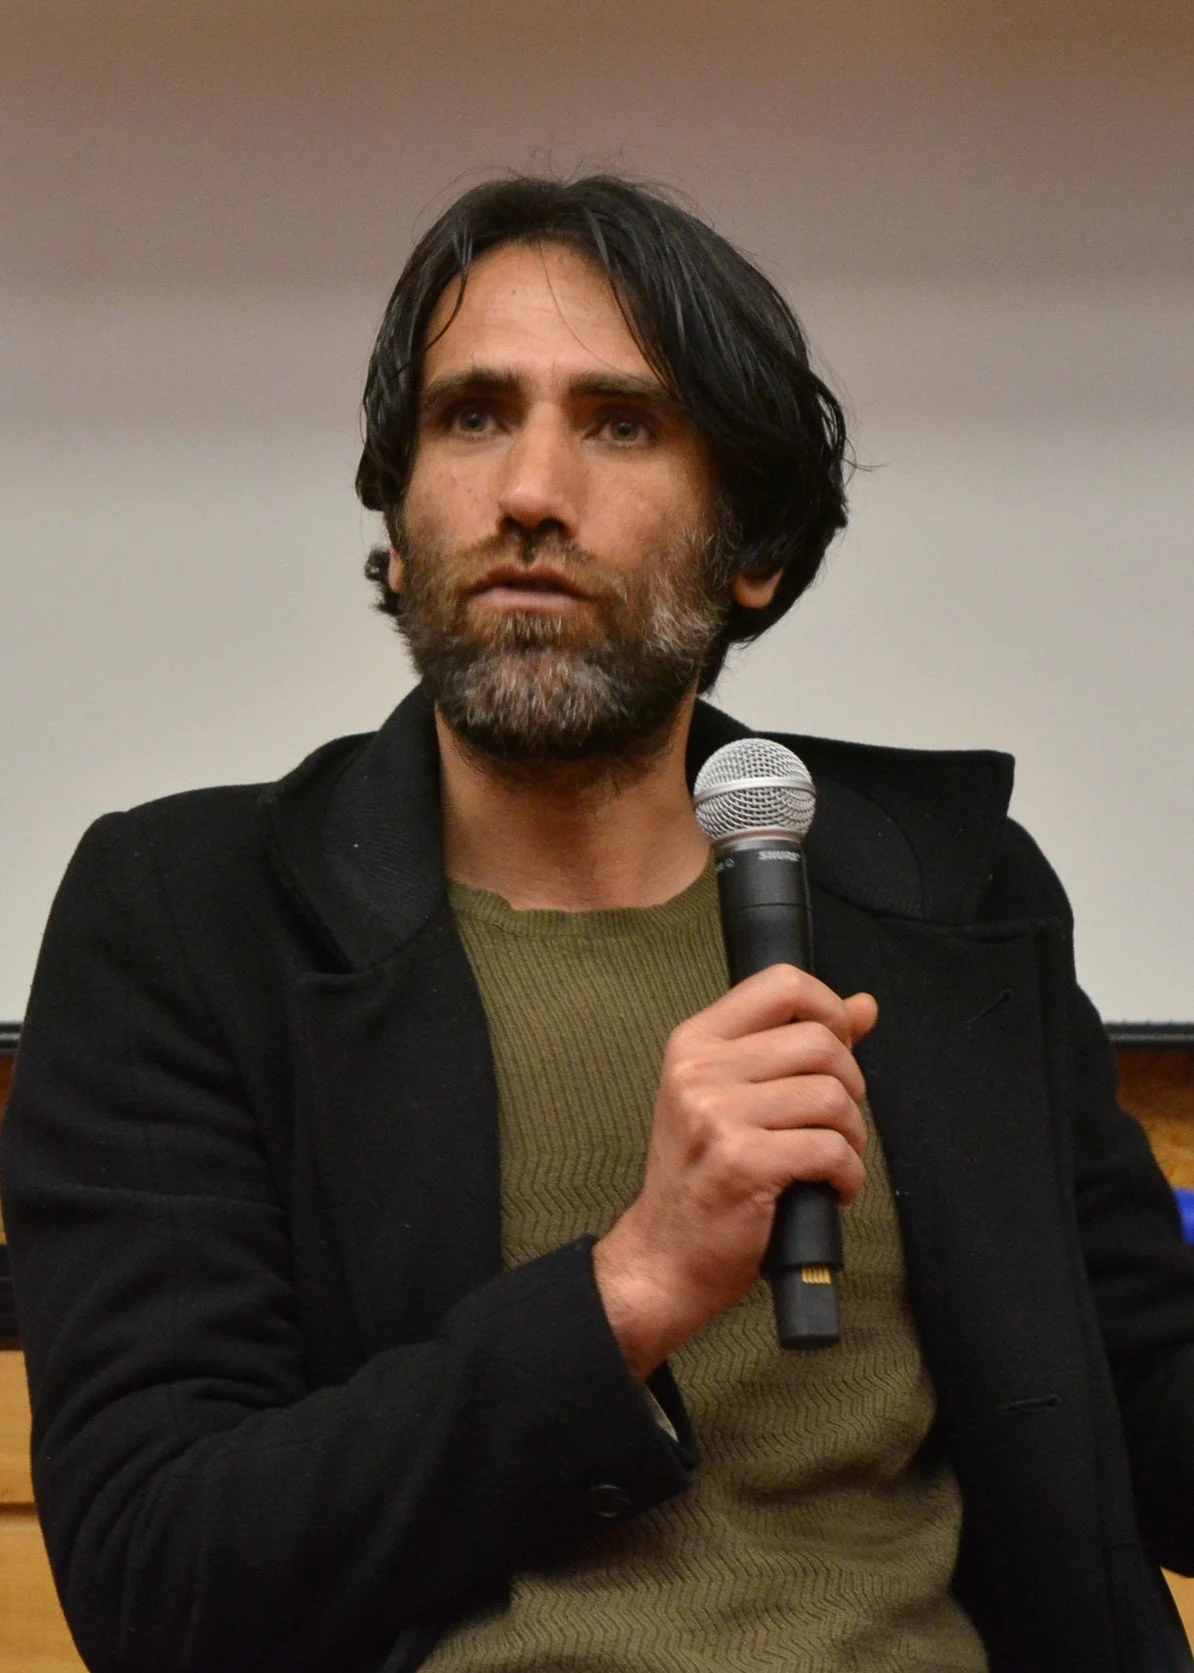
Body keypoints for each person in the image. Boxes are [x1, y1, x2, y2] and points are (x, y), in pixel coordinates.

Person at [2, 175, 1192, 1673]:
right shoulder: (194, 922)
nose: (527, 492)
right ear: (398, 522)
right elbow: (158, 1580)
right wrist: (632, 1285)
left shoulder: (946, 894)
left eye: (620, 424)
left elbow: (1152, 1411)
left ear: (753, 550)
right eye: (471, 416)